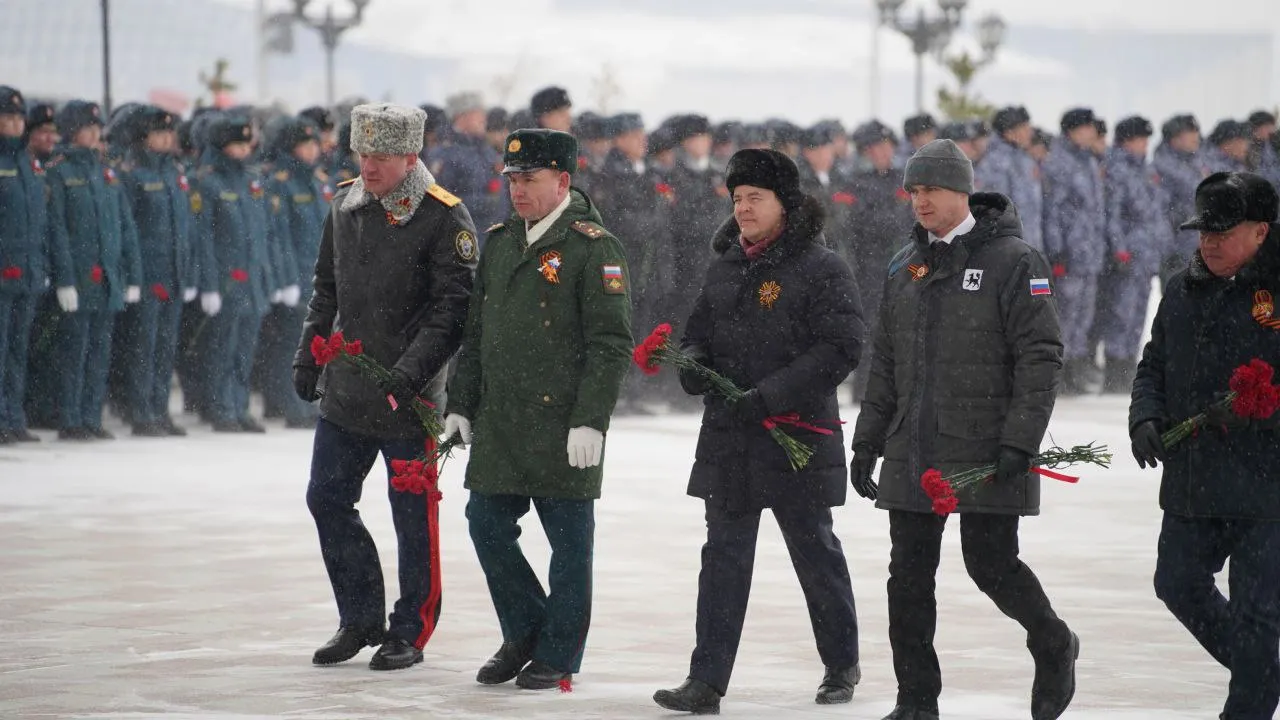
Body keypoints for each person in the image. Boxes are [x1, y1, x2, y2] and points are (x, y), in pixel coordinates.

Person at [850, 140, 1078, 720]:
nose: (919, 201)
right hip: (915, 444)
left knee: (991, 564)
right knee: (907, 579)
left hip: (987, 444)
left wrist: (1020, 441)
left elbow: (1041, 356)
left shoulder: (1014, 261)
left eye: (930, 190)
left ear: (962, 193)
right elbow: (886, 361)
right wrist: (869, 440)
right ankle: (917, 701)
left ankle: (1053, 642)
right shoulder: (905, 264)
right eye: (913, 191)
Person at [651, 148, 865, 714]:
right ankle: (706, 681)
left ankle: (841, 663)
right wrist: (692, 364)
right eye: (737, 199)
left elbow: (841, 348)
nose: (743, 209)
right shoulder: (725, 264)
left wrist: (770, 395)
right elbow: (697, 330)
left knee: (813, 550)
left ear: (785, 205)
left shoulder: (823, 268)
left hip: (795, 435)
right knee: (722, 556)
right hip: (730, 438)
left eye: (755, 199)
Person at [443, 128, 631, 691]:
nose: (518, 190)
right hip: (503, 418)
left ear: (563, 181)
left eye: (530, 180)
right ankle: (524, 630)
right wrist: (460, 403)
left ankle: (558, 651)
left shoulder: (594, 247)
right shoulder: (501, 241)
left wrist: (590, 418)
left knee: (570, 544)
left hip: (562, 420)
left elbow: (610, 342)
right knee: (486, 524)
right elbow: (477, 334)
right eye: (513, 180)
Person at [294, 103, 477, 672]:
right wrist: (310, 352)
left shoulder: (444, 217)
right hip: (349, 387)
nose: (368, 166)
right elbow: (327, 288)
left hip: (410, 397)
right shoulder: (344, 205)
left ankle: (410, 628)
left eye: (381, 156)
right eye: (362, 153)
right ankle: (359, 616)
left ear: (410, 156)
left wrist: (410, 372)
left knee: (411, 514)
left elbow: (452, 313)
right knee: (326, 497)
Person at [1130, 171, 1280, 720]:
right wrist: (1145, 416)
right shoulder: (1183, 287)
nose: (1209, 242)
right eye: (1203, 231)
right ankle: (1263, 675)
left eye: (1223, 231)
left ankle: (1248, 707)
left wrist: (1259, 411)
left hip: (1268, 486)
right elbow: (1154, 365)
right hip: (1195, 477)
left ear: (1261, 231)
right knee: (1178, 583)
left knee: (1259, 611)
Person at [45, 100, 142, 441]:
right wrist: (65, 279)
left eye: (95, 128)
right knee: (75, 351)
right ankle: (70, 418)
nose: (92, 134)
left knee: (100, 354)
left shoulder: (107, 173)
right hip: (81, 277)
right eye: (86, 128)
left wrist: (131, 274)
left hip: (108, 278)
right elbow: (56, 230)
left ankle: (91, 416)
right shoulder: (59, 173)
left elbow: (124, 228)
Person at [191, 114, 279, 433]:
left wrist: (268, 276)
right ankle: (220, 406)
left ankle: (239, 406)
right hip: (228, 280)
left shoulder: (252, 181)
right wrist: (210, 284)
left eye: (246, 144)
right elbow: (205, 239)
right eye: (236, 145)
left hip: (252, 280)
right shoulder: (209, 181)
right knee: (221, 348)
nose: (243, 151)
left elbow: (263, 234)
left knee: (245, 349)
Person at [115, 105, 196, 436]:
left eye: (169, 132)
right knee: (142, 347)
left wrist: (188, 272)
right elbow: (128, 230)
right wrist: (133, 276)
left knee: (165, 347)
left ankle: (160, 409)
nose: (166, 138)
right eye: (158, 133)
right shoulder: (133, 174)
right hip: (149, 275)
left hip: (174, 273)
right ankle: (140, 410)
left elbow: (186, 228)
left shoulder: (174, 173)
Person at [261, 115, 327, 429]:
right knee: (291, 344)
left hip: (319, 276)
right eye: (306, 145)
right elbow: (279, 237)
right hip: (296, 275)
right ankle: (289, 403)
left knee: (315, 344)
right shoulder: (280, 183)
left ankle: (306, 401)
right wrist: (285, 278)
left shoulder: (317, 182)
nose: (313, 151)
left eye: (315, 144)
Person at [1097, 116, 1169, 394]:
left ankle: (1127, 369)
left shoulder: (1145, 170)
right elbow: (1112, 214)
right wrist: (1120, 250)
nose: (1145, 145)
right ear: (1127, 140)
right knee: (1120, 314)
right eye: (1141, 139)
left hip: (1146, 255)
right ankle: (1114, 373)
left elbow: (1156, 212)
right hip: (1128, 255)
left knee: (1138, 315)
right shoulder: (1117, 169)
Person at [844, 120, 914, 402]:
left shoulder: (901, 179)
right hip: (868, 267)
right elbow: (860, 224)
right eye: (878, 147)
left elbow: (909, 220)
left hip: (902, 264)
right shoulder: (856, 182)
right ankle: (866, 389)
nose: (885, 152)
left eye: (888, 146)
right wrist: (889, 220)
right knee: (871, 327)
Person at [1042, 107, 1105, 395]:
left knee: (1084, 315)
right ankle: (1060, 374)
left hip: (1089, 252)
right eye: (1086, 128)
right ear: (1072, 130)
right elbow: (1053, 210)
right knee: (1065, 315)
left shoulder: (1089, 161)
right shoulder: (1060, 162)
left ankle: (1076, 370)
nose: (1091, 133)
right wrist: (1056, 250)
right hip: (1069, 252)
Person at [0, 86, 48, 444]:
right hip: (4, 270)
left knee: (18, 349)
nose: (15, 124)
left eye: (19, 118)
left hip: (28, 269)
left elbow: (40, 221)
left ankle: (13, 417)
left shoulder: (27, 162)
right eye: (8, 117)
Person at [428, 92, 503, 241]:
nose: (484, 117)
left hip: (494, 240)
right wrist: (487, 203)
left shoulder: (486, 150)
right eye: (478, 112)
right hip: (464, 241)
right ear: (462, 116)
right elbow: (440, 202)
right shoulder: (445, 154)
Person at [976, 105, 1043, 252]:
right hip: (1007, 251)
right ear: (1009, 132)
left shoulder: (1025, 159)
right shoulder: (996, 163)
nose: (1030, 132)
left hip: (1029, 247)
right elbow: (994, 214)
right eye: (1024, 128)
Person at [1154, 115, 1207, 289]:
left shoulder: (1197, 163)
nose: (1195, 137)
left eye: (1196, 131)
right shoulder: (1162, 168)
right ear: (1174, 139)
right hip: (1177, 251)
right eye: (1189, 132)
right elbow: (1159, 212)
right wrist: (1169, 249)